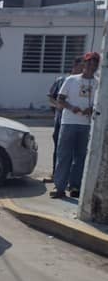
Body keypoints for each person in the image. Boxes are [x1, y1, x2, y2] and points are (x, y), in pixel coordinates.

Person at [50, 52, 100, 199]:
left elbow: (100, 103)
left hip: (86, 124)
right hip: (69, 122)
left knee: (81, 156)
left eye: (95, 63)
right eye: (89, 62)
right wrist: (72, 108)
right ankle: (59, 187)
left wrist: (91, 109)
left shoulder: (98, 83)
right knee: (64, 155)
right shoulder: (71, 80)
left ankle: (75, 186)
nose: (92, 65)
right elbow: (60, 99)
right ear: (84, 64)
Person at [44, 56, 84, 182]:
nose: (84, 69)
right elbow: (51, 97)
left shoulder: (85, 83)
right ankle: (56, 174)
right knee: (59, 148)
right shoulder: (62, 80)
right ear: (75, 66)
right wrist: (59, 106)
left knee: (77, 151)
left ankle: (71, 178)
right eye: (82, 66)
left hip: (79, 122)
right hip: (61, 120)